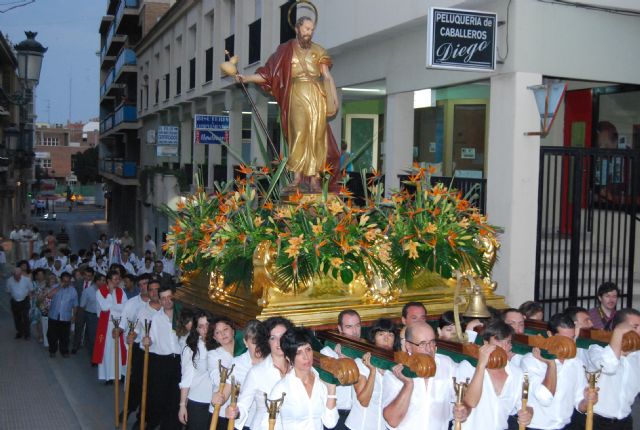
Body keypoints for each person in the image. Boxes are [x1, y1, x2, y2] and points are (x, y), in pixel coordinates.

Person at [237, 15, 340, 193]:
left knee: (316, 136)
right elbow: (268, 74)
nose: (310, 32)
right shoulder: (284, 51)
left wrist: (332, 99)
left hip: (316, 95)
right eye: (307, 29)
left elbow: (327, 76)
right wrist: (246, 77)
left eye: (312, 29)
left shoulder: (319, 51)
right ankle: (297, 178)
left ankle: (315, 179)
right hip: (296, 95)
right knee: (298, 134)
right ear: (297, 28)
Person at [382, 322, 469, 430]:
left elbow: (463, 400)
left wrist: (464, 410)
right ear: (408, 346)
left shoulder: (447, 365)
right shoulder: (395, 371)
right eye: (422, 344)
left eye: (432, 342)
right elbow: (392, 421)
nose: (429, 349)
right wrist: (408, 385)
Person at [519, 313, 597, 430]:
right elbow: (545, 398)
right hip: (537, 427)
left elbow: (580, 406)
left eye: (571, 338)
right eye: (564, 339)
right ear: (550, 335)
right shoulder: (531, 361)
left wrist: (588, 400)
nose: (569, 344)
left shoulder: (576, 362)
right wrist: (551, 364)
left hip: (565, 426)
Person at [459, 320, 532, 430]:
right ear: (485, 343)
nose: (503, 347)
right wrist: (481, 365)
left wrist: (528, 414)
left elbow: (527, 405)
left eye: (507, 342)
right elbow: (470, 402)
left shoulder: (517, 373)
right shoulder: (468, 367)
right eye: (498, 341)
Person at [226, 316, 294, 429]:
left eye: (283, 337)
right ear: (266, 341)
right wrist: (235, 412)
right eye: (273, 338)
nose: (279, 342)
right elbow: (243, 405)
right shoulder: (256, 372)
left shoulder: (299, 367)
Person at [270, 327, 339, 429]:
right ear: (289, 358)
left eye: (308, 349)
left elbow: (330, 423)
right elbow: (270, 423)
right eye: (299, 352)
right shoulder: (281, 388)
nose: (306, 357)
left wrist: (331, 390)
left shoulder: (321, 382)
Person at [587, 308, 640, 429]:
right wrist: (618, 333)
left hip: (624, 421)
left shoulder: (637, 356)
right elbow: (609, 367)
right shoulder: (597, 349)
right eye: (635, 327)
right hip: (596, 421)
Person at [347, 319, 398, 430]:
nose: (386, 339)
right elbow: (364, 401)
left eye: (390, 335)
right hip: (361, 426)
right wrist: (372, 371)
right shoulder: (360, 363)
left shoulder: (397, 366)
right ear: (373, 338)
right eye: (381, 334)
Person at [144, 286, 182, 430]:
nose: (167, 301)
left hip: (178, 361)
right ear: (159, 300)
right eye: (163, 298)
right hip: (161, 362)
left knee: (175, 399)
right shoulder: (155, 318)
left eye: (169, 297)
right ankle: (153, 422)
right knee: (159, 397)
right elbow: (151, 339)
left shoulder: (181, 316)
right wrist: (147, 341)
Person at [319, 309, 361, 429]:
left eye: (358, 326)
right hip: (336, 415)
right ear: (340, 328)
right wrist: (342, 365)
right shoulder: (327, 353)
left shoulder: (363, 353)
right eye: (349, 327)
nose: (355, 331)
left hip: (358, 416)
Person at [179, 310, 213, 430]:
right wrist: (183, 405)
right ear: (196, 329)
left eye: (208, 325)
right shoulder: (191, 349)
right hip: (198, 402)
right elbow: (186, 379)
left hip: (218, 404)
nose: (205, 329)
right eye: (201, 326)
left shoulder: (223, 346)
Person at [93, 269, 128, 383]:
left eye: (119, 279)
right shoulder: (100, 292)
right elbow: (104, 307)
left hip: (118, 325)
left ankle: (118, 375)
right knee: (107, 350)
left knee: (118, 350)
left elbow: (125, 308)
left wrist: (114, 306)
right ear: (108, 280)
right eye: (115, 279)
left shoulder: (121, 291)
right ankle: (107, 376)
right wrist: (110, 294)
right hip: (106, 326)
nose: (117, 281)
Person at [208, 315, 237, 429]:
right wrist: (238, 362)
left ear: (233, 331)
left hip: (242, 409)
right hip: (221, 408)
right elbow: (217, 379)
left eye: (225, 329)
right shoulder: (213, 355)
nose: (223, 334)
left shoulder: (247, 350)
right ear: (215, 337)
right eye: (218, 332)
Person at [46, 272, 78, 357]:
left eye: (68, 281)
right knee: (52, 335)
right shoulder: (55, 287)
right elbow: (49, 296)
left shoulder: (73, 290)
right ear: (61, 280)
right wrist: (59, 287)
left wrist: (74, 316)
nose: (66, 283)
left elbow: (75, 305)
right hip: (54, 316)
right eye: (64, 281)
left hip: (66, 317)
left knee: (64, 336)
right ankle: (52, 351)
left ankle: (64, 351)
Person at [6, 267, 33, 340]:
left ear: (21, 274)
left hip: (25, 300)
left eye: (18, 275)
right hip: (15, 301)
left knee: (25, 317)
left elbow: (31, 289)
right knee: (17, 318)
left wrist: (30, 298)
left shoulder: (26, 280)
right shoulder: (9, 281)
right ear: (13, 275)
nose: (17, 277)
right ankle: (19, 332)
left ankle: (27, 334)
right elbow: (8, 291)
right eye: (15, 276)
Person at [79, 268, 99, 359]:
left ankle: (94, 353)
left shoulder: (104, 291)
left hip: (100, 315)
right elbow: (82, 304)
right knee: (91, 335)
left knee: (94, 336)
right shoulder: (87, 290)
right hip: (89, 314)